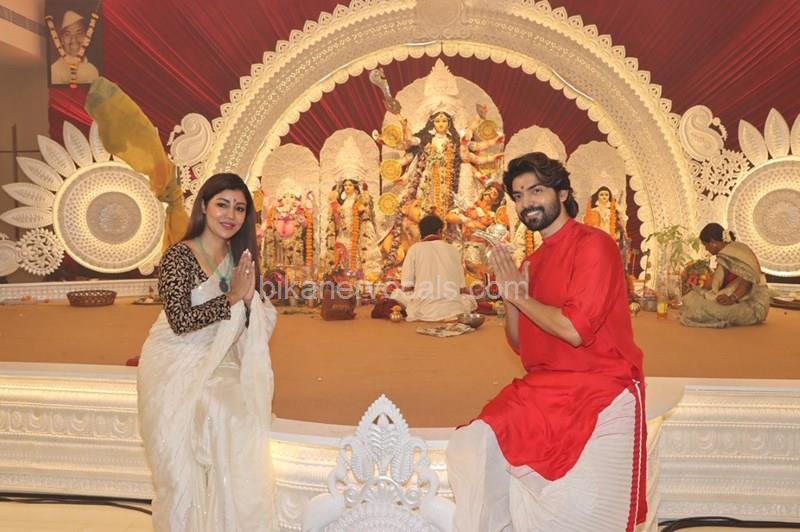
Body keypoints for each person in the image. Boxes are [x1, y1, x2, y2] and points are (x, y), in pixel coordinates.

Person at [446, 153, 647, 531]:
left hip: (598, 382)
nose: (526, 203)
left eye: (536, 191)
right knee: (472, 445)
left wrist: (519, 296)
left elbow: (574, 330)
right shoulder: (531, 264)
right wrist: (511, 297)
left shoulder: (594, 245)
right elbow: (520, 344)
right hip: (542, 386)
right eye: (518, 195)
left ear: (562, 192)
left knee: (566, 506)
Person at [137, 173, 277, 531]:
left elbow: (251, 324)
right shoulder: (179, 256)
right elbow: (181, 320)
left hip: (221, 359)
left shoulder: (239, 258)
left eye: (240, 208)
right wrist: (233, 296)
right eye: (222, 204)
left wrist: (250, 301)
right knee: (182, 462)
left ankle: (227, 520)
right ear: (203, 206)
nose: (231, 215)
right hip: (174, 363)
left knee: (240, 412)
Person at [388, 214, 477, 322]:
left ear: (421, 232)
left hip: (423, 310)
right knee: (468, 299)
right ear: (439, 231)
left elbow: (407, 286)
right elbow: (461, 288)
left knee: (396, 294)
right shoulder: (453, 250)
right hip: (453, 308)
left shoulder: (414, 249)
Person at [680, 223, 769, 328]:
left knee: (703, 308)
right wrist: (693, 281)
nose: (706, 249)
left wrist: (732, 298)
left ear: (713, 242)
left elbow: (748, 279)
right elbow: (715, 284)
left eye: (706, 245)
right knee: (698, 300)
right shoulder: (727, 253)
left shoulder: (735, 252)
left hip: (754, 307)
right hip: (741, 300)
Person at [326, 178, 381, 278]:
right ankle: (343, 277)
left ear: (355, 187)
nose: (347, 187)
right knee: (341, 253)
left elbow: (368, 215)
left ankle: (355, 276)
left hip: (355, 234)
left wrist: (364, 209)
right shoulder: (342, 202)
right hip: (343, 233)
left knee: (354, 255)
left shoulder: (359, 200)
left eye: (350, 185)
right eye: (345, 185)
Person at [49, 10, 99, 85]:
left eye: (79, 33)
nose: (74, 40)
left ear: (86, 36)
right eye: (68, 34)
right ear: (62, 40)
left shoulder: (93, 70)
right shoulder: (54, 71)